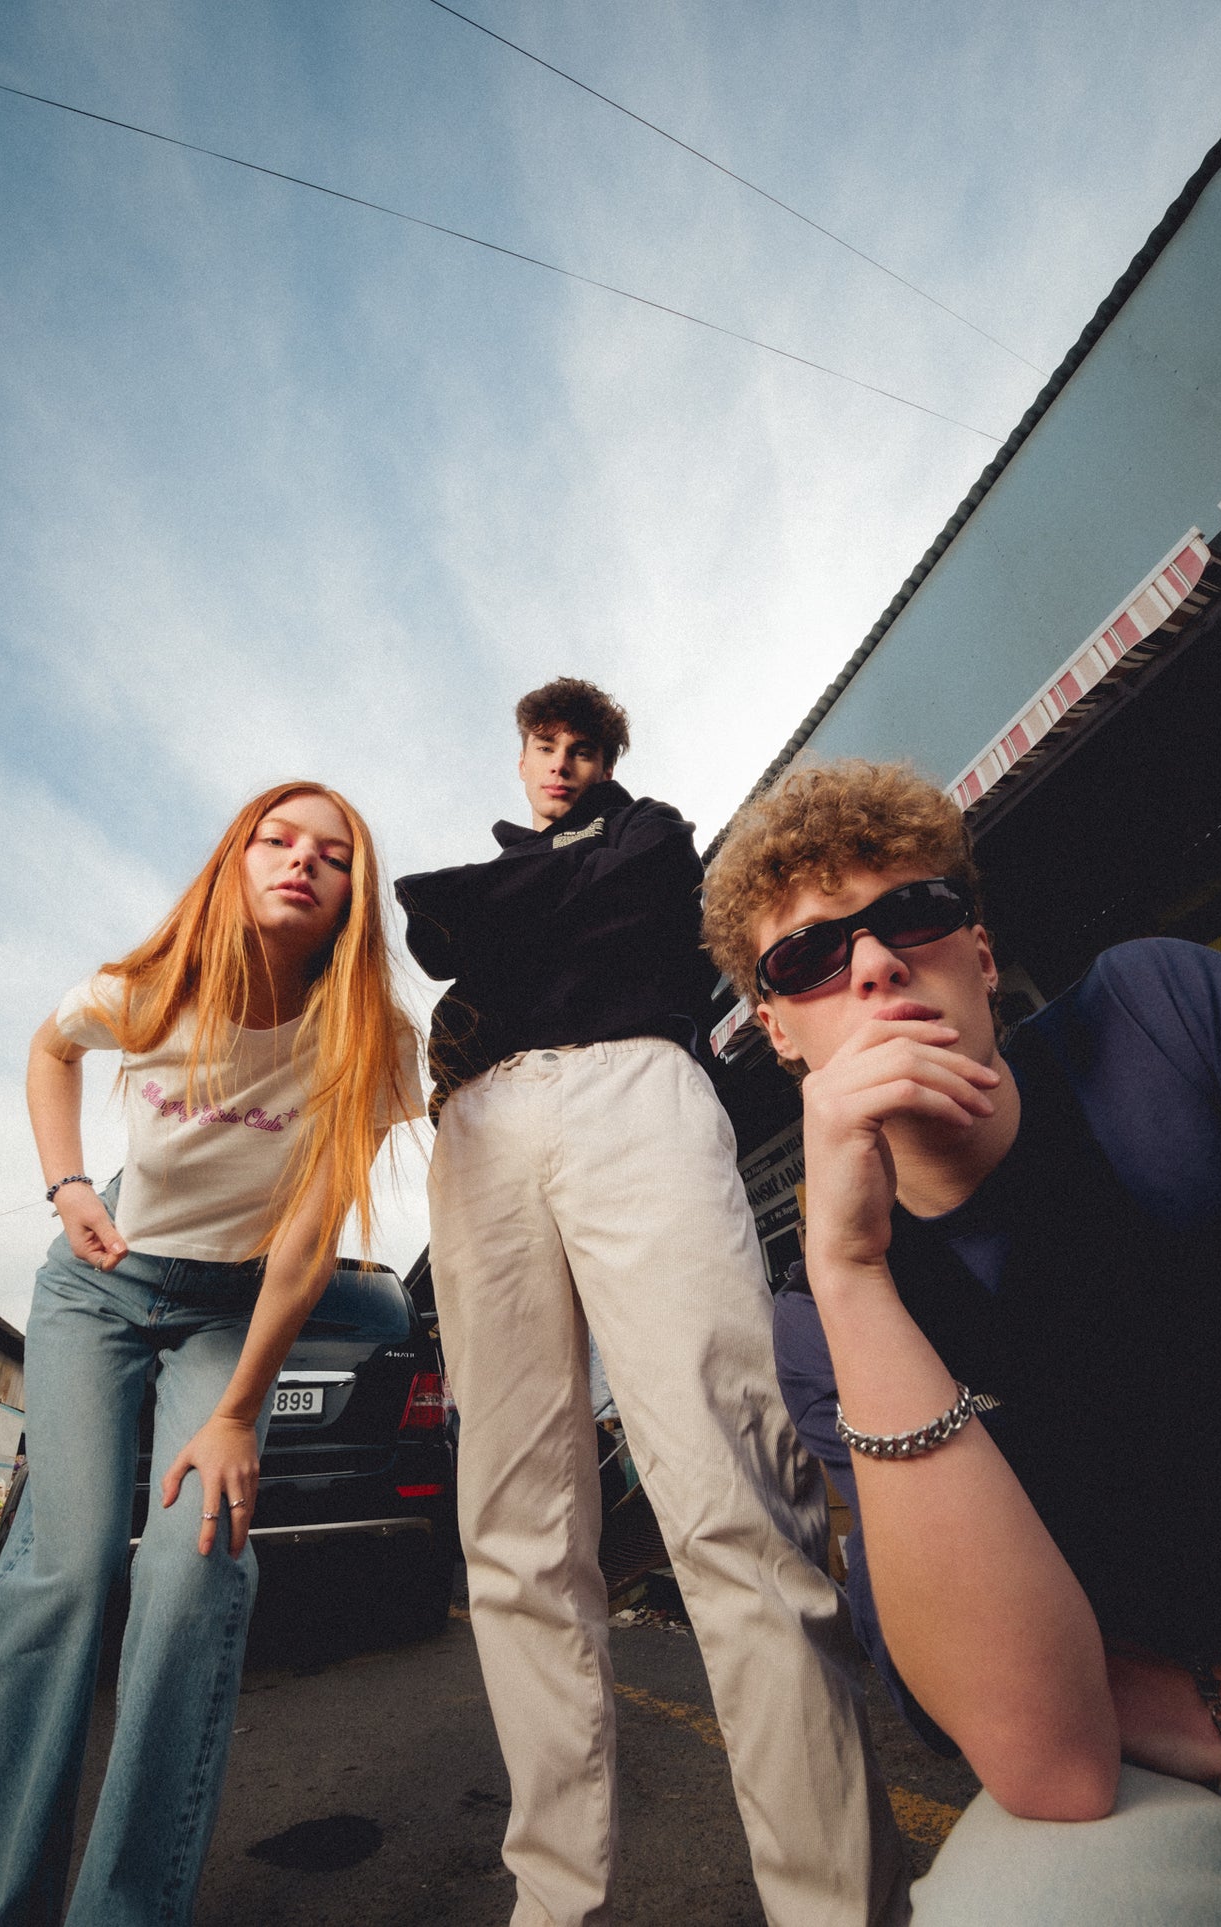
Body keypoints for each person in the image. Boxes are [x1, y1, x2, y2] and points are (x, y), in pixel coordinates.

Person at [702, 757, 1221, 1926]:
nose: (874, 962)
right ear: (777, 1032)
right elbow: (1047, 1760)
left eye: (912, 911)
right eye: (807, 957)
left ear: (981, 954)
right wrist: (851, 1278)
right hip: (1188, 1770)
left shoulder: (1166, 1023)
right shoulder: (816, 1326)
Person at [395, 679, 905, 1927]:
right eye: (542, 746)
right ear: (519, 755)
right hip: (479, 1128)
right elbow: (420, 920)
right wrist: (498, 912)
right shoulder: (540, 870)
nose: (561, 764)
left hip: (635, 1092)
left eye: (582, 748)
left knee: (728, 1485)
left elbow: (465, 914)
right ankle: (554, 1898)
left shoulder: (656, 834)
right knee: (510, 1522)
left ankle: (836, 1907)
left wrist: (484, 915)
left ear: (608, 759)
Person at [0, 782, 421, 1927]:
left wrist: (239, 1411)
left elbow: (308, 1240)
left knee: (196, 1560)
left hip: (233, 1306)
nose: (300, 861)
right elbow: (50, 1049)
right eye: (275, 838)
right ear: (234, 859)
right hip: (104, 1281)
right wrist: (64, 1186)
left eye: (332, 854)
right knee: (63, 1567)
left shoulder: (366, 1044)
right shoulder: (151, 989)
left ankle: (123, 1909)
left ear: (355, 895)